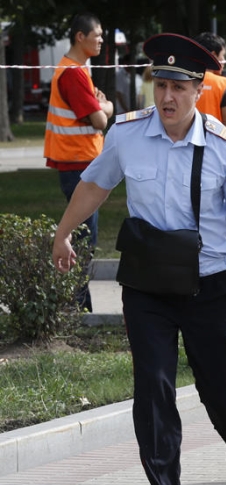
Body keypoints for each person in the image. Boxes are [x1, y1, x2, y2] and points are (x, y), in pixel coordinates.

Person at [51, 33, 226, 485]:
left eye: (179, 86)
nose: (167, 97)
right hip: (148, 287)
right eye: (160, 84)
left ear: (199, 89)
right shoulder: (128, 134)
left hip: (213, 287)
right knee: (153, 391)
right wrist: (64, 230)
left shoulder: (225, 147)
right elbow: (95, 184)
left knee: (220, 391)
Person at [43, 12, 114, 313]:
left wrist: (99, 103)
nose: (101, 39)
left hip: (80, 161)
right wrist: (106, 105)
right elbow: (99, 119)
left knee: (84, 236)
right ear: (79, 37)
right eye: (96, 34)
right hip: (78, 163)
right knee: (83, 238)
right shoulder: (73, 73)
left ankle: (78, 304)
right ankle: (76, 306)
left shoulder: (77, 70)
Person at [192, 31, 226, 135]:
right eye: (223, 56)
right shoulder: (223, 84)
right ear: (214, 55)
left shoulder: (184, 80)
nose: (224, 61)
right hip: (213, 146)